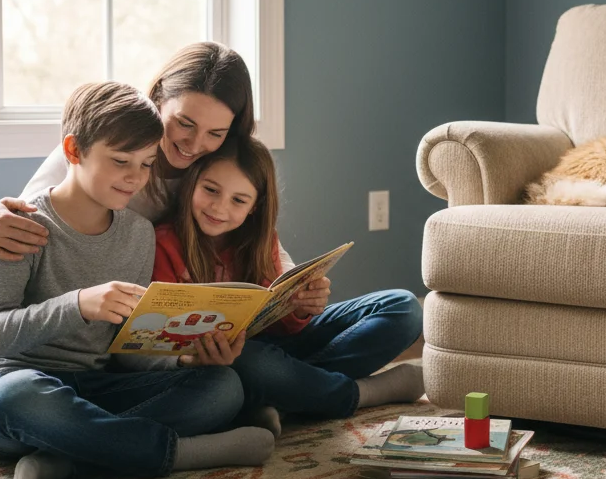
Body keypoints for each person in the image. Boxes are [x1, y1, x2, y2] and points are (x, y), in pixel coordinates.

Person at [0, 42, 423, 431]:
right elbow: (32, 227)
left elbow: (266, 250)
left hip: (233, 337)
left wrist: (297, 291)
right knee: (241, 369)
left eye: (215, 133)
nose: (193, 144)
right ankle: (312, 393)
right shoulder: (107, 154)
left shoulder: (218, 168)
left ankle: (280, 393)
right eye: (183, 123)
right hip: (134, 347)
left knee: (401, 309)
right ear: (158, 99)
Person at [0, 82, 274, 479]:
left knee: (222, 386)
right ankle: (176, 452)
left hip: (94, 386)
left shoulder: (138, 234)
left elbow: (127, 354)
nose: (135, 178)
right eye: (121, 161)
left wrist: (183, 357)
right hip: (14, 386)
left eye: (147, 164)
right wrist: (78, 306)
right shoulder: (24, 224)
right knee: (20, 397)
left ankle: (68, 457)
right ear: (74, 151)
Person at [153, 137, 423, 435]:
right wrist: (195, 357)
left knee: (404, 307)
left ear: (255, 206)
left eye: (239, 200)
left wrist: (300, 308)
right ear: (192, 183)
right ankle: (357, 394)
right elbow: (164, 338)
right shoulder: (164, 242)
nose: (219, 207)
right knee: (249, 360)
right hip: (233, 361)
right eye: (210, 190)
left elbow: (286, 329)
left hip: (278, 351)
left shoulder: (259, 239)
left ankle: (284, 396)